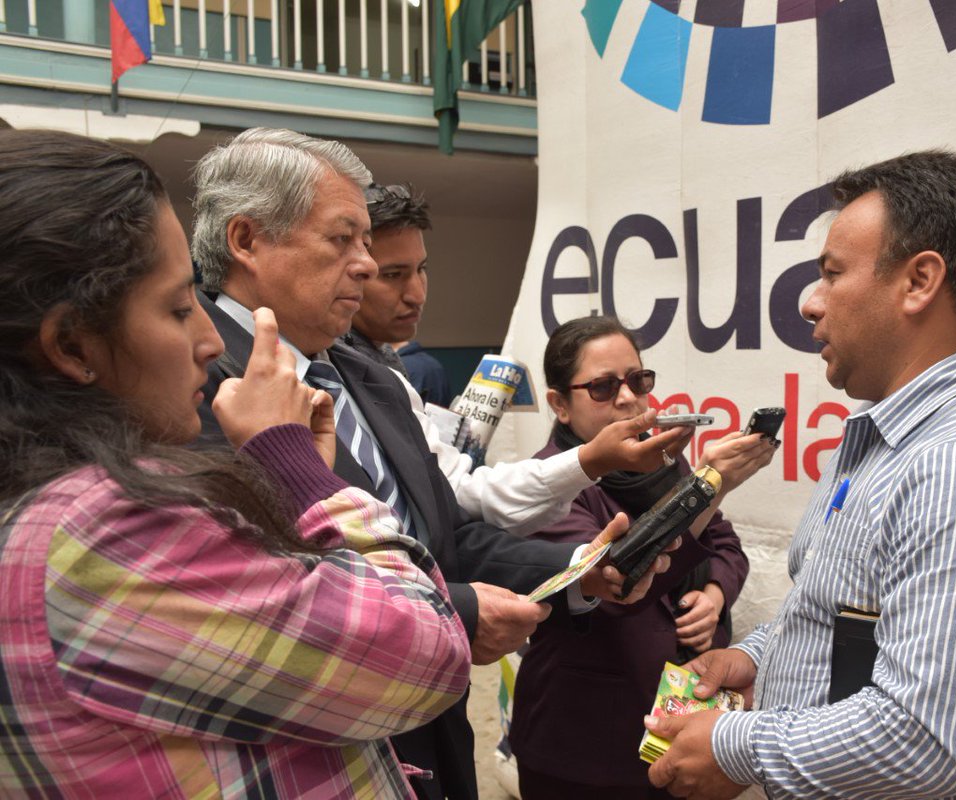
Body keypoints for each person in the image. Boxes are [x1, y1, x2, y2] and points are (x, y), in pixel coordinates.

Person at [189, 127, 671, 800]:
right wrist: (457, 612)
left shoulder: (372, 377)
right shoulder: (195, 388)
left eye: (368, 244)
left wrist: (578, 570)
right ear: (246, 240)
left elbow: (444, 537)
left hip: (433, 737)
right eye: (343, 240)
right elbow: (254, 601)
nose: (364, 265)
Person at [0, 129, 472, 798]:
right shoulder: (109, 527)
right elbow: (424, 655)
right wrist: (302, 474)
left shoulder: (44, 504)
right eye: (176, 308)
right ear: (73, 345)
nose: (204, 337)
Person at [644, 151, 956, 799]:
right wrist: (758, 657)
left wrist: (734, 747)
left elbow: (925, 740)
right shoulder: (884, 441)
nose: (810, 302)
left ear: (920, 281)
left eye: (832, 274)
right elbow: (844, 619)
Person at [508, 315, 777, 800]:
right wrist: (706, 490)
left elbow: (725, 544)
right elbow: (617, 583)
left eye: (638, 379)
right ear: (560, 405)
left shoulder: (662, 461)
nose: (628, 398)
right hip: (587, 741)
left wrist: (713, 594)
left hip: (684, 719)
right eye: (603, 387)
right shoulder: (545, 488)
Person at [343, 182, 692, 536]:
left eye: (422, 269)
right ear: (559, 403)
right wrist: (590, 463)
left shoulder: (382, 365)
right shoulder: (333, 378)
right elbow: (457, 500)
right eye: (393, 275)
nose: (417, 293)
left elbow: (455, 497)